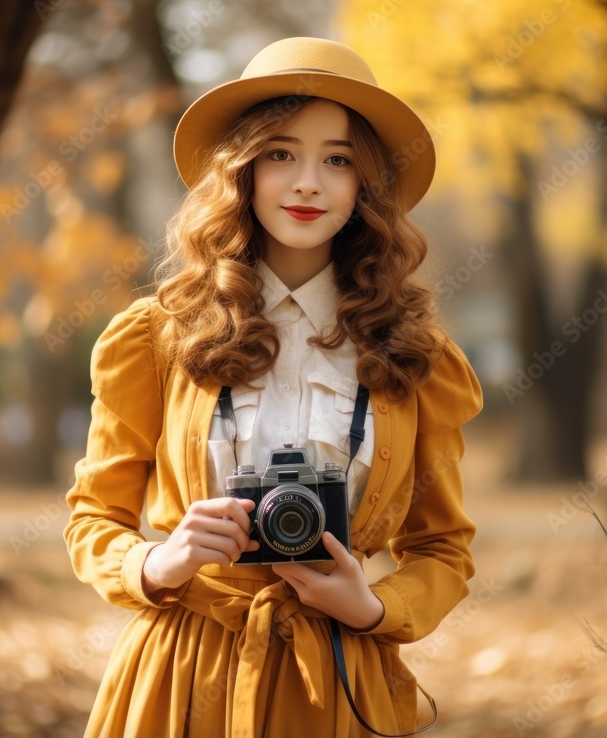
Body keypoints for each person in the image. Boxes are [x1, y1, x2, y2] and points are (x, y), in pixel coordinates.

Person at [64, 36, 483, 738]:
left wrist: (374, 608)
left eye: (339, 160)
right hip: (179, 679)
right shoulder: (157, 337)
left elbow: (443, 549)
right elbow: (92, 520)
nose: (308, 183)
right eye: (282, 153)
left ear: (367, 185)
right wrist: (158, 561)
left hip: (342, 684)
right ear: (244, 169)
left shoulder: (416, 354)